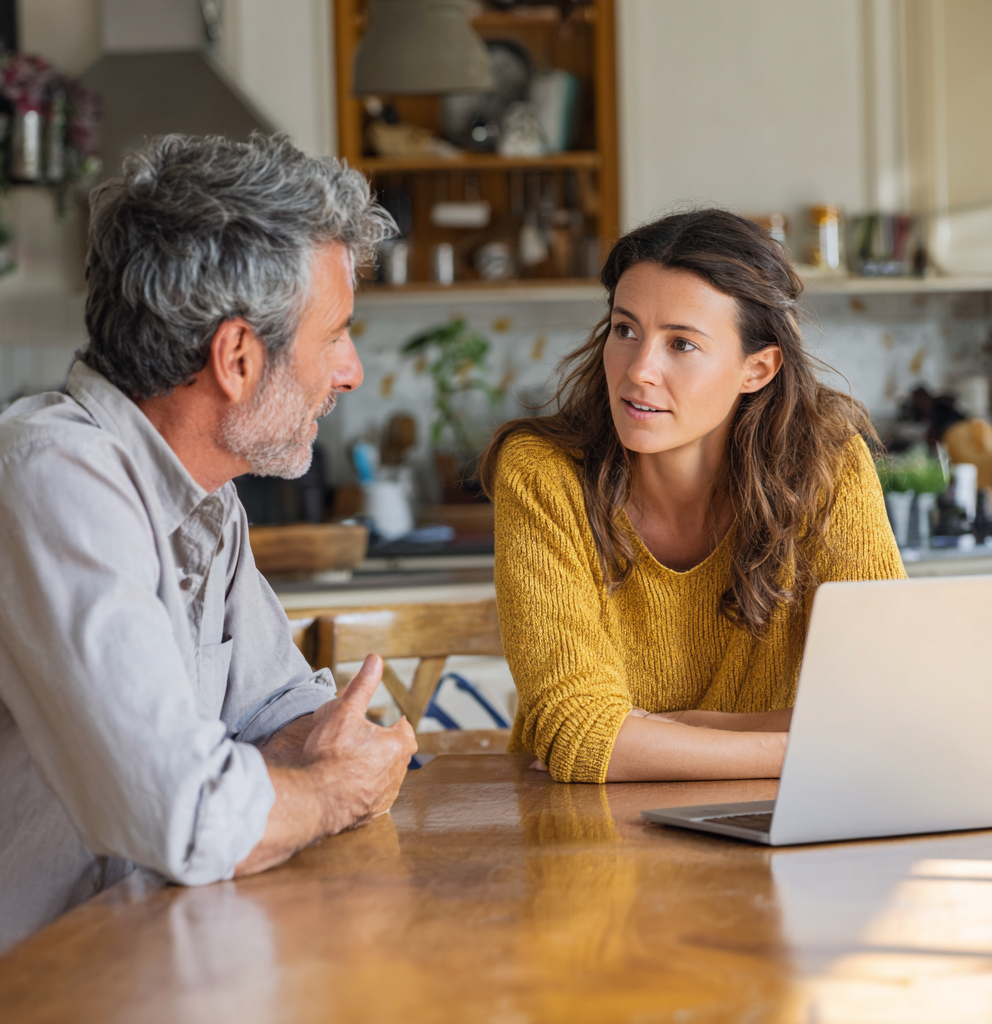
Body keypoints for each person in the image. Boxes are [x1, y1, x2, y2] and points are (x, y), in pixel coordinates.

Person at [0, 133, 417, 952]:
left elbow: (274, 710)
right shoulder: (52, 477)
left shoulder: (205, 496)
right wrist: (328, 793)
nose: (351, 372)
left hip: (142, 961)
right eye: (333, 334)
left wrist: (328, 744)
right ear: (235, 357)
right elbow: (182, 813)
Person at [480, 210, 905, 785]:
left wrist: (678, 726)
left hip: (766, 823)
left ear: (757, 368)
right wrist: (812, 745)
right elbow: (577, 736)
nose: (639, 371)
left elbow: (889, 706)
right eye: (625, 330)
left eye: (681, 343)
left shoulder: (826, 466)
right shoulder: (542, 473)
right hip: (584, 835)